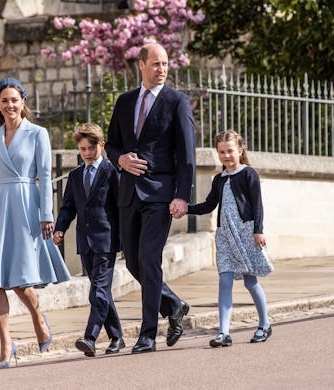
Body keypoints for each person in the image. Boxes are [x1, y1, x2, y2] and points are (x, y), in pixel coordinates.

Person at [0, 77, 71, 368]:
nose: (10, 105)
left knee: (20, 281)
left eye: (14, 99)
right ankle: (6, 346)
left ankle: (37, 318)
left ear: (23, 103)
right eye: (4, 100)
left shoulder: (38, 134)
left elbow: (44, 176)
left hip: (26, 206)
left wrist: (46, 214)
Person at [105, 42, 195, 353]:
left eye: (166, 64)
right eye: (156, 64)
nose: (162, 69)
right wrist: (121, 161)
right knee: (132, 261)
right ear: (141, 65)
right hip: (129, 193)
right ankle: (173, 304)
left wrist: (182, 196)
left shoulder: (177, 102)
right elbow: (111, 144)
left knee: (149, 259)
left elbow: (187, 155)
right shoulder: (125, 101)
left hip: (160, 195)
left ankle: (148, 334)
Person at [188, 129, 274, 347]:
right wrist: (185, 209)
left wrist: (259, 230)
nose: (226, 156)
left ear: (240, 150)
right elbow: (209, 205)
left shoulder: (248, 174)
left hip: (246, 231)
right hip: (225, 235)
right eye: (222, 152)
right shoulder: (219, 179)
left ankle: (264, 324)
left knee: (250, 280)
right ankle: (224, 332)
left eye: (230, 151)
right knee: (224, 280)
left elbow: (257, 205)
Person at [53, 123, 124, 357]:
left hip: (106, 240)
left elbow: (120, 206)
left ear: (101, 146)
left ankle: (90, 337)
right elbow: (68, 207)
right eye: (82, 148)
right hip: (85, 242)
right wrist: (60, 229)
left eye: (91, 147)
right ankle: (117, 337)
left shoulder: (111, 171)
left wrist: (125, 237)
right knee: (100, 291)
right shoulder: (75, 176)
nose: (87, 153)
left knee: (99, 292)